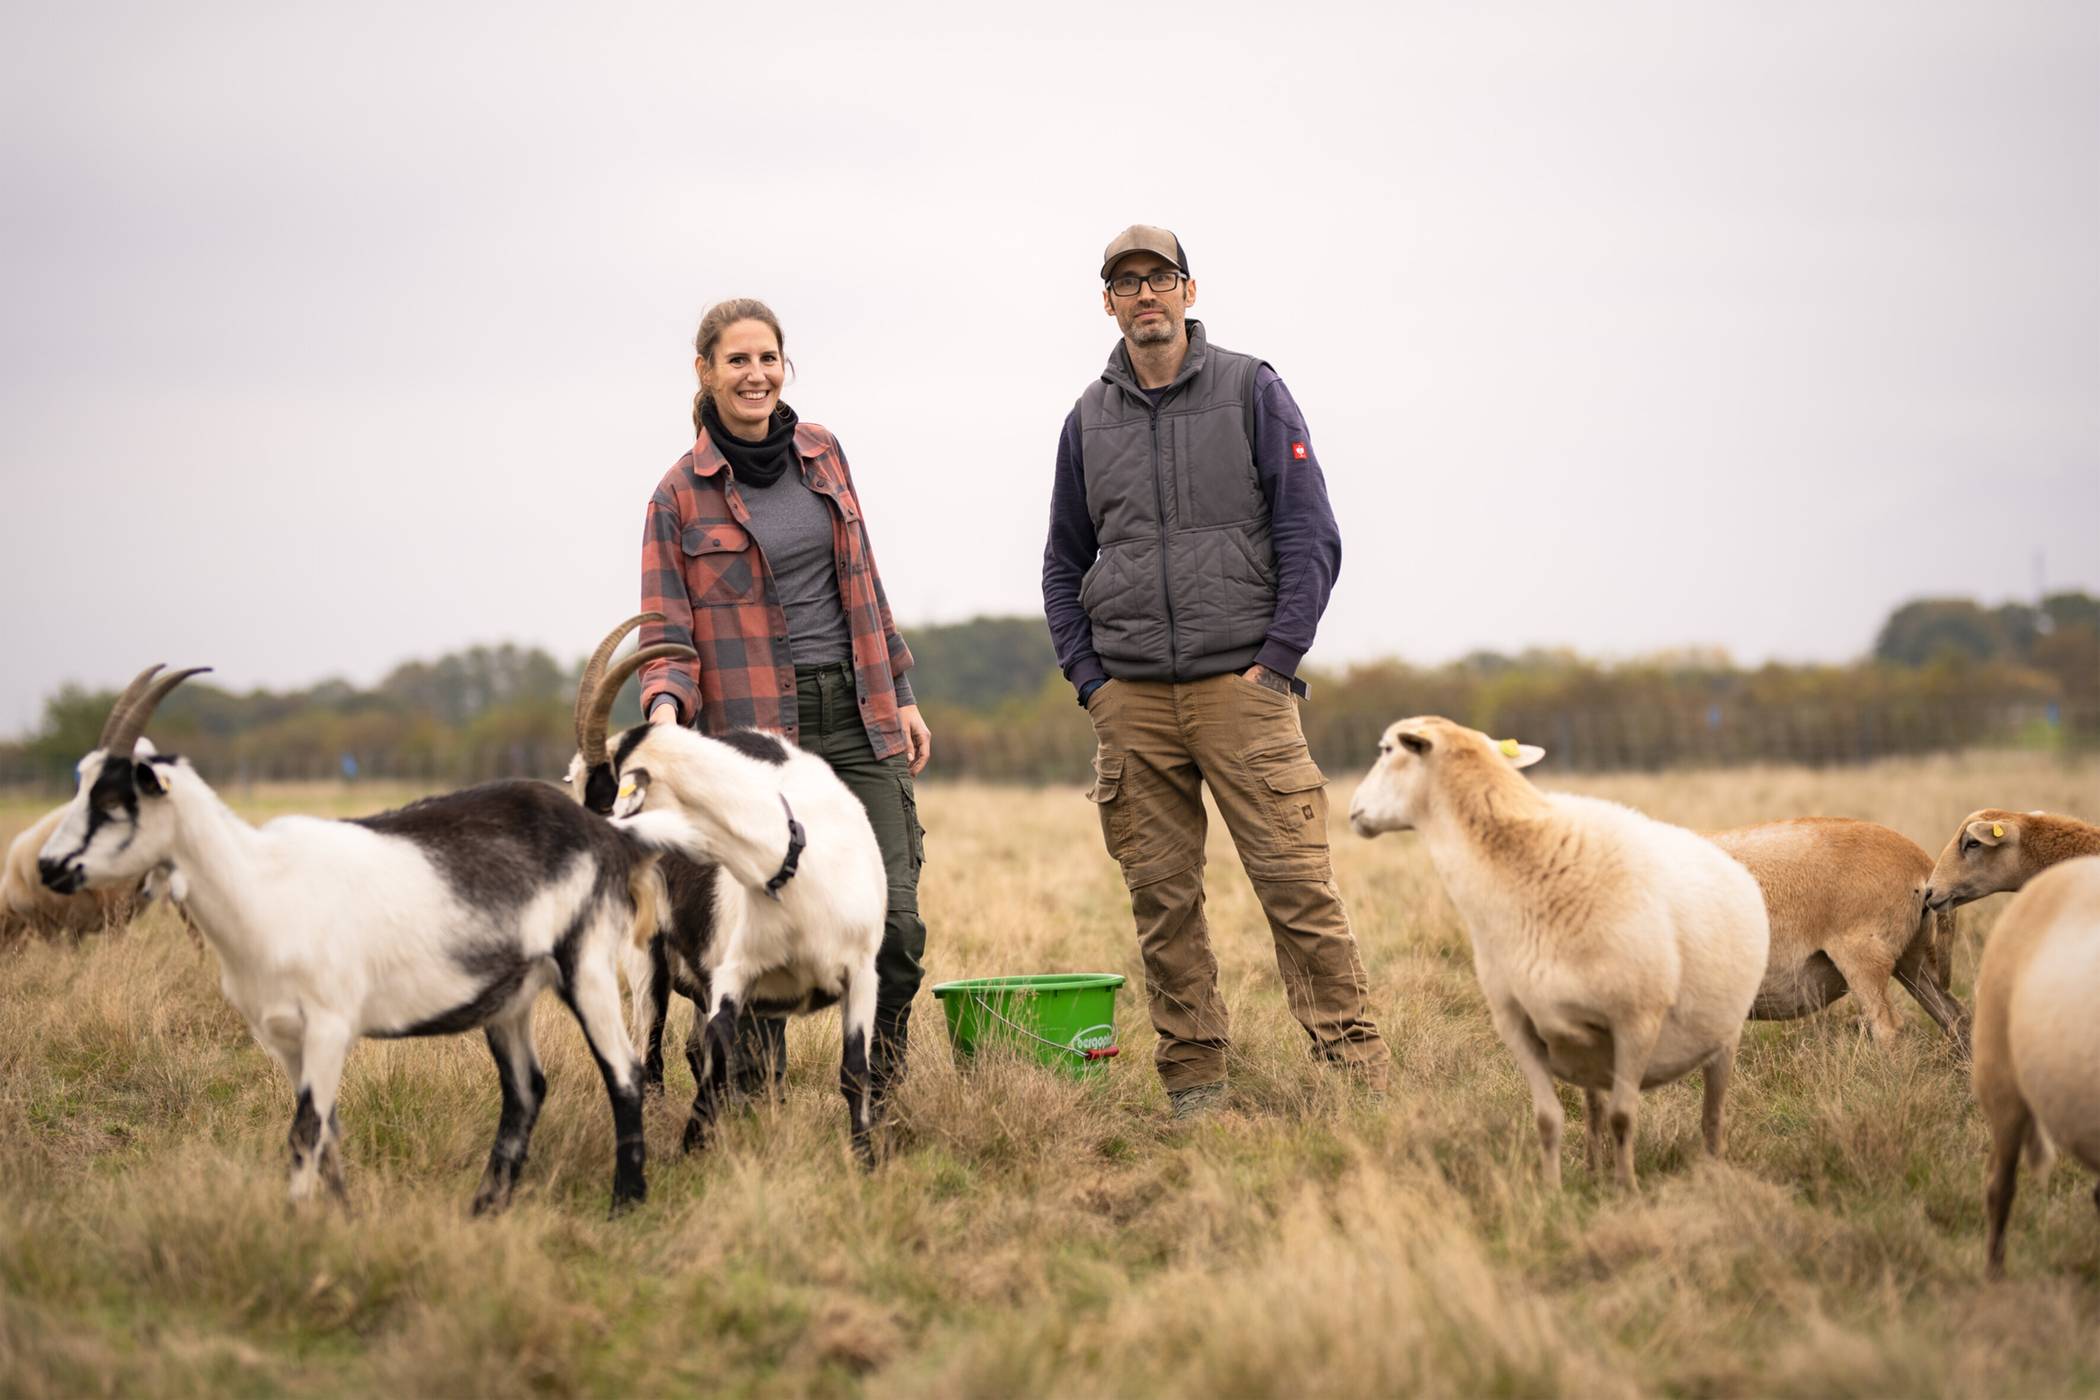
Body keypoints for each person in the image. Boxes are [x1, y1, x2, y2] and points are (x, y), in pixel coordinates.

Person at [1041, 226, 1388, 1117]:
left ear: (1188, 292)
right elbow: (1063, 562)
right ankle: (1195, 1084)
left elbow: (1311, 533)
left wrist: (1275, 662)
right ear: (1108, 303)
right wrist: (1092, 683)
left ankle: (1356, 1076)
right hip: (1132, 702)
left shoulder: (1250, 389)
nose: (1144, 295)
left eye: (1160, 278)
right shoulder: (1087, 418)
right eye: (1126, 283)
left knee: (1297, 889)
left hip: (1244, 691)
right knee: (1162, 904)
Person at [638, 297, 931, 1109]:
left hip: (858, 710)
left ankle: (879, 1083)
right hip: (755, 740)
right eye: (737, 360)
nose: (755, 375)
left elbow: (864, 583)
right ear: (705, 372)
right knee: (758, 923)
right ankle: (749, 1095)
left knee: (895, 921)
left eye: (767, 358)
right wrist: (665, 719)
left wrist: (901, 692)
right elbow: (666, 633)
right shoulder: (676, 497)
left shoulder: (824, 455)